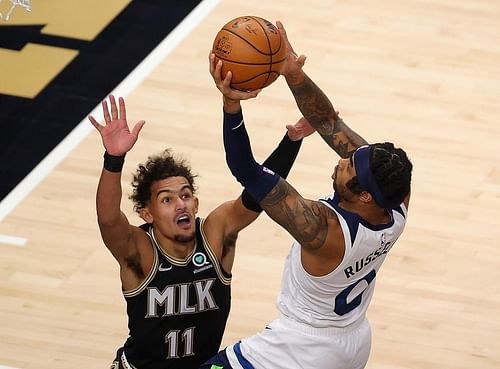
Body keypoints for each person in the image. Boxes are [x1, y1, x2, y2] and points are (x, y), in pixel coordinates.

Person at [202, 20, 413, 369]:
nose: (342, 159)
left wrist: (231, 104)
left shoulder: (322, 230)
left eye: (349, 167)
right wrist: (291, 72)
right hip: (354, 338)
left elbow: (245, 169)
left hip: (302, 348)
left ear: (363, 196)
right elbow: (328, 121)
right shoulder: (396, 200)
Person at [88, 95, 313, 369]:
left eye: (185, 195)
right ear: (147, 214)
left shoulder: (214, 234)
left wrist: (292, 141)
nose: (180, 204)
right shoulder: (140, 250)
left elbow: (258, 196)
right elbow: (108, 219)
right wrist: (114, 159)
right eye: (167, 200)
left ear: (196, 203)